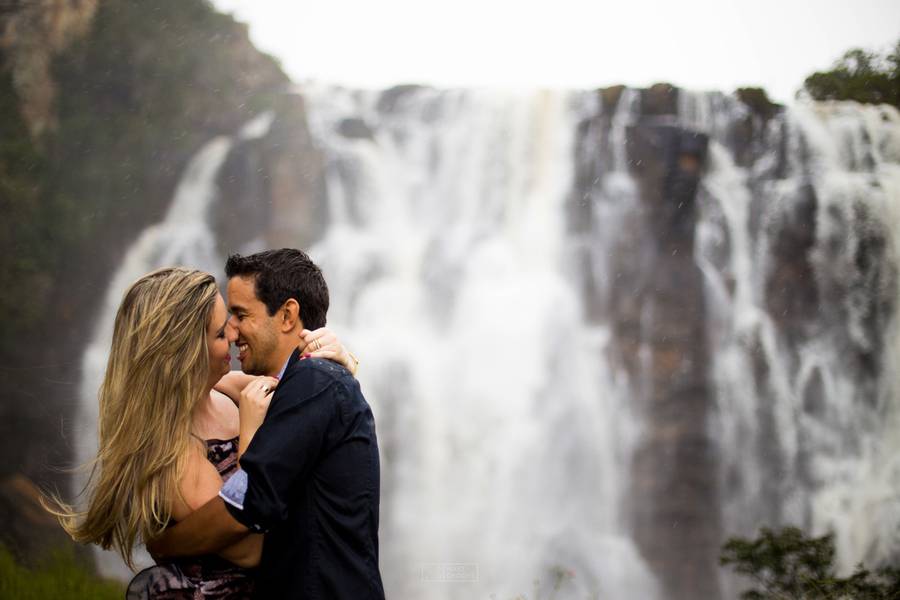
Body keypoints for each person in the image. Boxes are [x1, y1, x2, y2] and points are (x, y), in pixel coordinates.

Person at [45, 267, 356, 598]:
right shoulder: (171, 456)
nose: (235, 336)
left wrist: (341, 360)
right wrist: (250, 436)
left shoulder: (228, 390)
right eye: (221, 334)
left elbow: (318, 402)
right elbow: (253, 550)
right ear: (186, 353)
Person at [149, 249, 385, 599]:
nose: (231, 331)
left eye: (240, 314)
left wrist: (164, 545)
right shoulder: (308, 384)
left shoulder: (313, 382)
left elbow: (248, 505)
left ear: (288, 315)